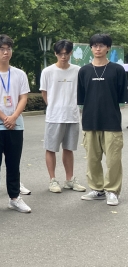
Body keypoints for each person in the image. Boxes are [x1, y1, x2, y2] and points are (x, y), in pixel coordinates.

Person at [0, 34, 32, 214]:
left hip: (15, 125)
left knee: (13, 163)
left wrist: (13, 117)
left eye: (8, 48)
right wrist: (3, 117)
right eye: (1, 49)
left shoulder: (19, 74)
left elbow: (23, 97)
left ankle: (14, 198)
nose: (5, 52)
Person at [78, 34, 127, 206]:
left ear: (108, 48)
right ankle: (97, 189)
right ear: (91, 48)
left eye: (101, 45)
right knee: (92, 158)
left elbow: (121, 97)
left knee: (113, 159)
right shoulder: (84, 70)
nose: (98, 49)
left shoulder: (117, 70)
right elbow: (81, 98)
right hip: (90, 121)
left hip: (111, 121)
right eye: (94, 45)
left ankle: (112, 191)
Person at [39, 40, 86, 193]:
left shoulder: (78, 70)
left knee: (69, 148)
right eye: (60, 54)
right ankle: (52, 180)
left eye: (66, 53)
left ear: (71, 53)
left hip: (72, 115)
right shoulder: (48, 71)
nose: (63, 56)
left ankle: (69, 179)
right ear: (55, 53)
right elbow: (44, 93)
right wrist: (53, 106)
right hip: (54, 116)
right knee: (50, 148)